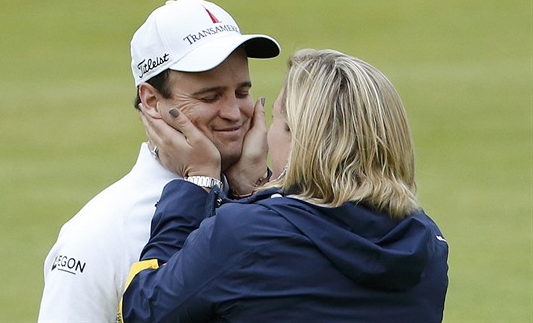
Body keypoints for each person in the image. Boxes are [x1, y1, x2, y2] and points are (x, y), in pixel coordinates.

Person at [119, 49, 449, 322]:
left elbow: (144, 308)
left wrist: (199, 179)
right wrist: (256, 190)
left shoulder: (242, 235)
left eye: (277, 120)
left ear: (300, 138)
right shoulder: (427, 243)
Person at [38, 0, 279, 322]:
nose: (234, 114)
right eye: (210, 97)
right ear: (151, 101)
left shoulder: (278, 201)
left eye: (241, 92)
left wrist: (255, 189)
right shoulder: (99, 234)